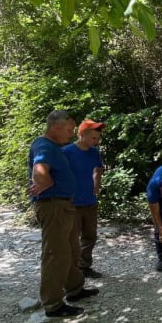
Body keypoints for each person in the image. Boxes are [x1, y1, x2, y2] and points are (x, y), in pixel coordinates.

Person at [28, 109, 99, 317]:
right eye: (69, 130)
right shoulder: (44, 145)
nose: (71, 134)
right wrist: (45, 182)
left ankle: (75, 289)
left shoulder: (53, 146)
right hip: (54, 205)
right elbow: (39, 173)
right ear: (55, 127)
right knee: (56, 255)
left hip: (63, 205)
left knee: (71, 250)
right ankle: (53, 304)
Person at [62, 119, 106, 279]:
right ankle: (71, 271)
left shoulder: (94, 152)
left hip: (90, 202)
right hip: (72, 203)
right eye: (94, 138)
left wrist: (96, 186)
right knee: (72, 240)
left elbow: (98, 170)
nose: (97, 141)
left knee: (90, 237)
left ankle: (84, 266)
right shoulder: (66, 152)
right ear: (81, 135)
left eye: (98, 138)